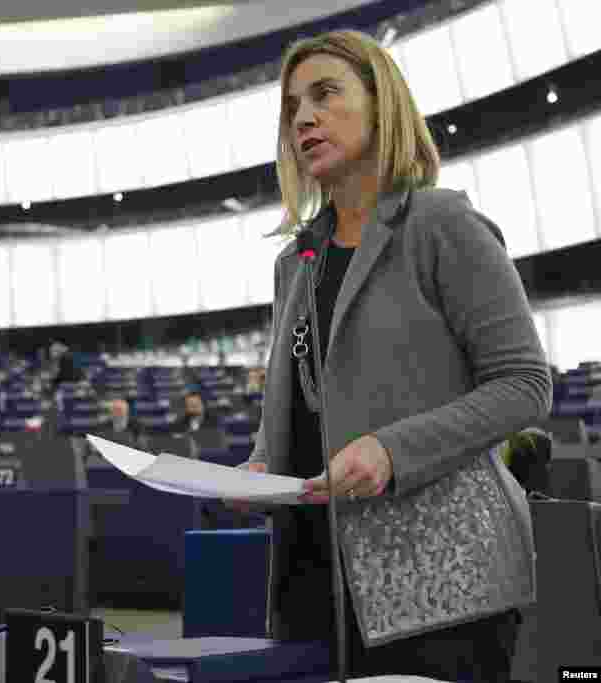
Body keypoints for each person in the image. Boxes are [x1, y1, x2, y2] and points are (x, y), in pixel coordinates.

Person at [225, 30, 550, 682]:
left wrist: (391, 450)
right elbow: (306, 401)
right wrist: (261, 466)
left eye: (325, 94)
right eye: (292, 107)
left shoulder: (440, 226)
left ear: (381, 105)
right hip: (314, 582)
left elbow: (525, 383)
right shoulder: (295, 263)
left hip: (441, 585)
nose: (303, 118)